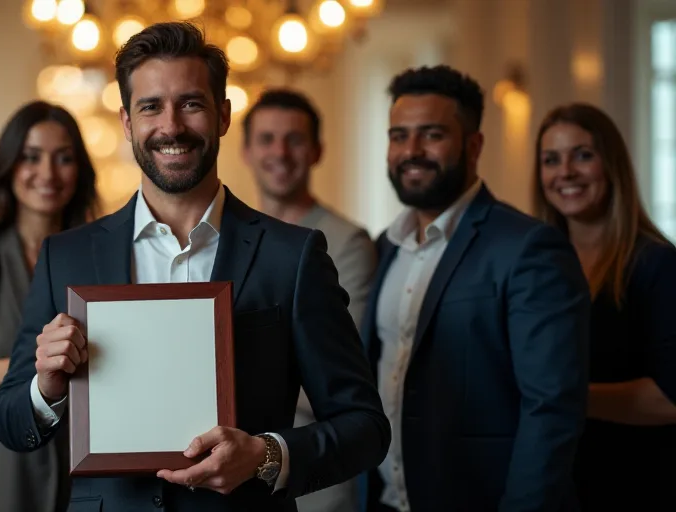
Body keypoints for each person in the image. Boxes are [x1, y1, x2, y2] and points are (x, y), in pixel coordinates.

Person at [0, 22, 390, 512]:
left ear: (223, 115)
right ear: (126, 122)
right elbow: (10, 421)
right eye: (151, 107)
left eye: (191, 104)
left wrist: (265, 455)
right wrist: (46, 388)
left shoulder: (293, 255)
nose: (172, 126)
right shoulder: (66, 256)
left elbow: (365, 427)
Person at [358, 65, 591, 511]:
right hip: (385, 500)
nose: (411, 151)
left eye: (432, 135)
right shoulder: (384, 247)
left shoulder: (529, 248)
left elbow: (551, 407)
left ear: (474, 144)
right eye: (399, 136)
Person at [0, 100, 99, 512]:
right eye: (31, 157)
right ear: (8, 166)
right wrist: (10, 371)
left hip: (86, 476)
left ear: (79, 171)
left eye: (64, 158)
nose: (48, 173)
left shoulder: (101, 258)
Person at [533, 103, 676, 511]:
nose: (565, 172)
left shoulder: (657, 265)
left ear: (611, 165)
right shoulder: (535, 266)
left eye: (582, 155)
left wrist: (562, 399)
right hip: (556, 481)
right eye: (551, 160)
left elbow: (671, 400)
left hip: (637, 483)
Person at [242, 89, 377, 512]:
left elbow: (337, 370)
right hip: (240, 474)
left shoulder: (348, 243)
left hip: (315, 472)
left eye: (295, 140)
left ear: (317, 151)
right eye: (266, 139)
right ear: (246, 151)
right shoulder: (236, 241)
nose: (279, 153)